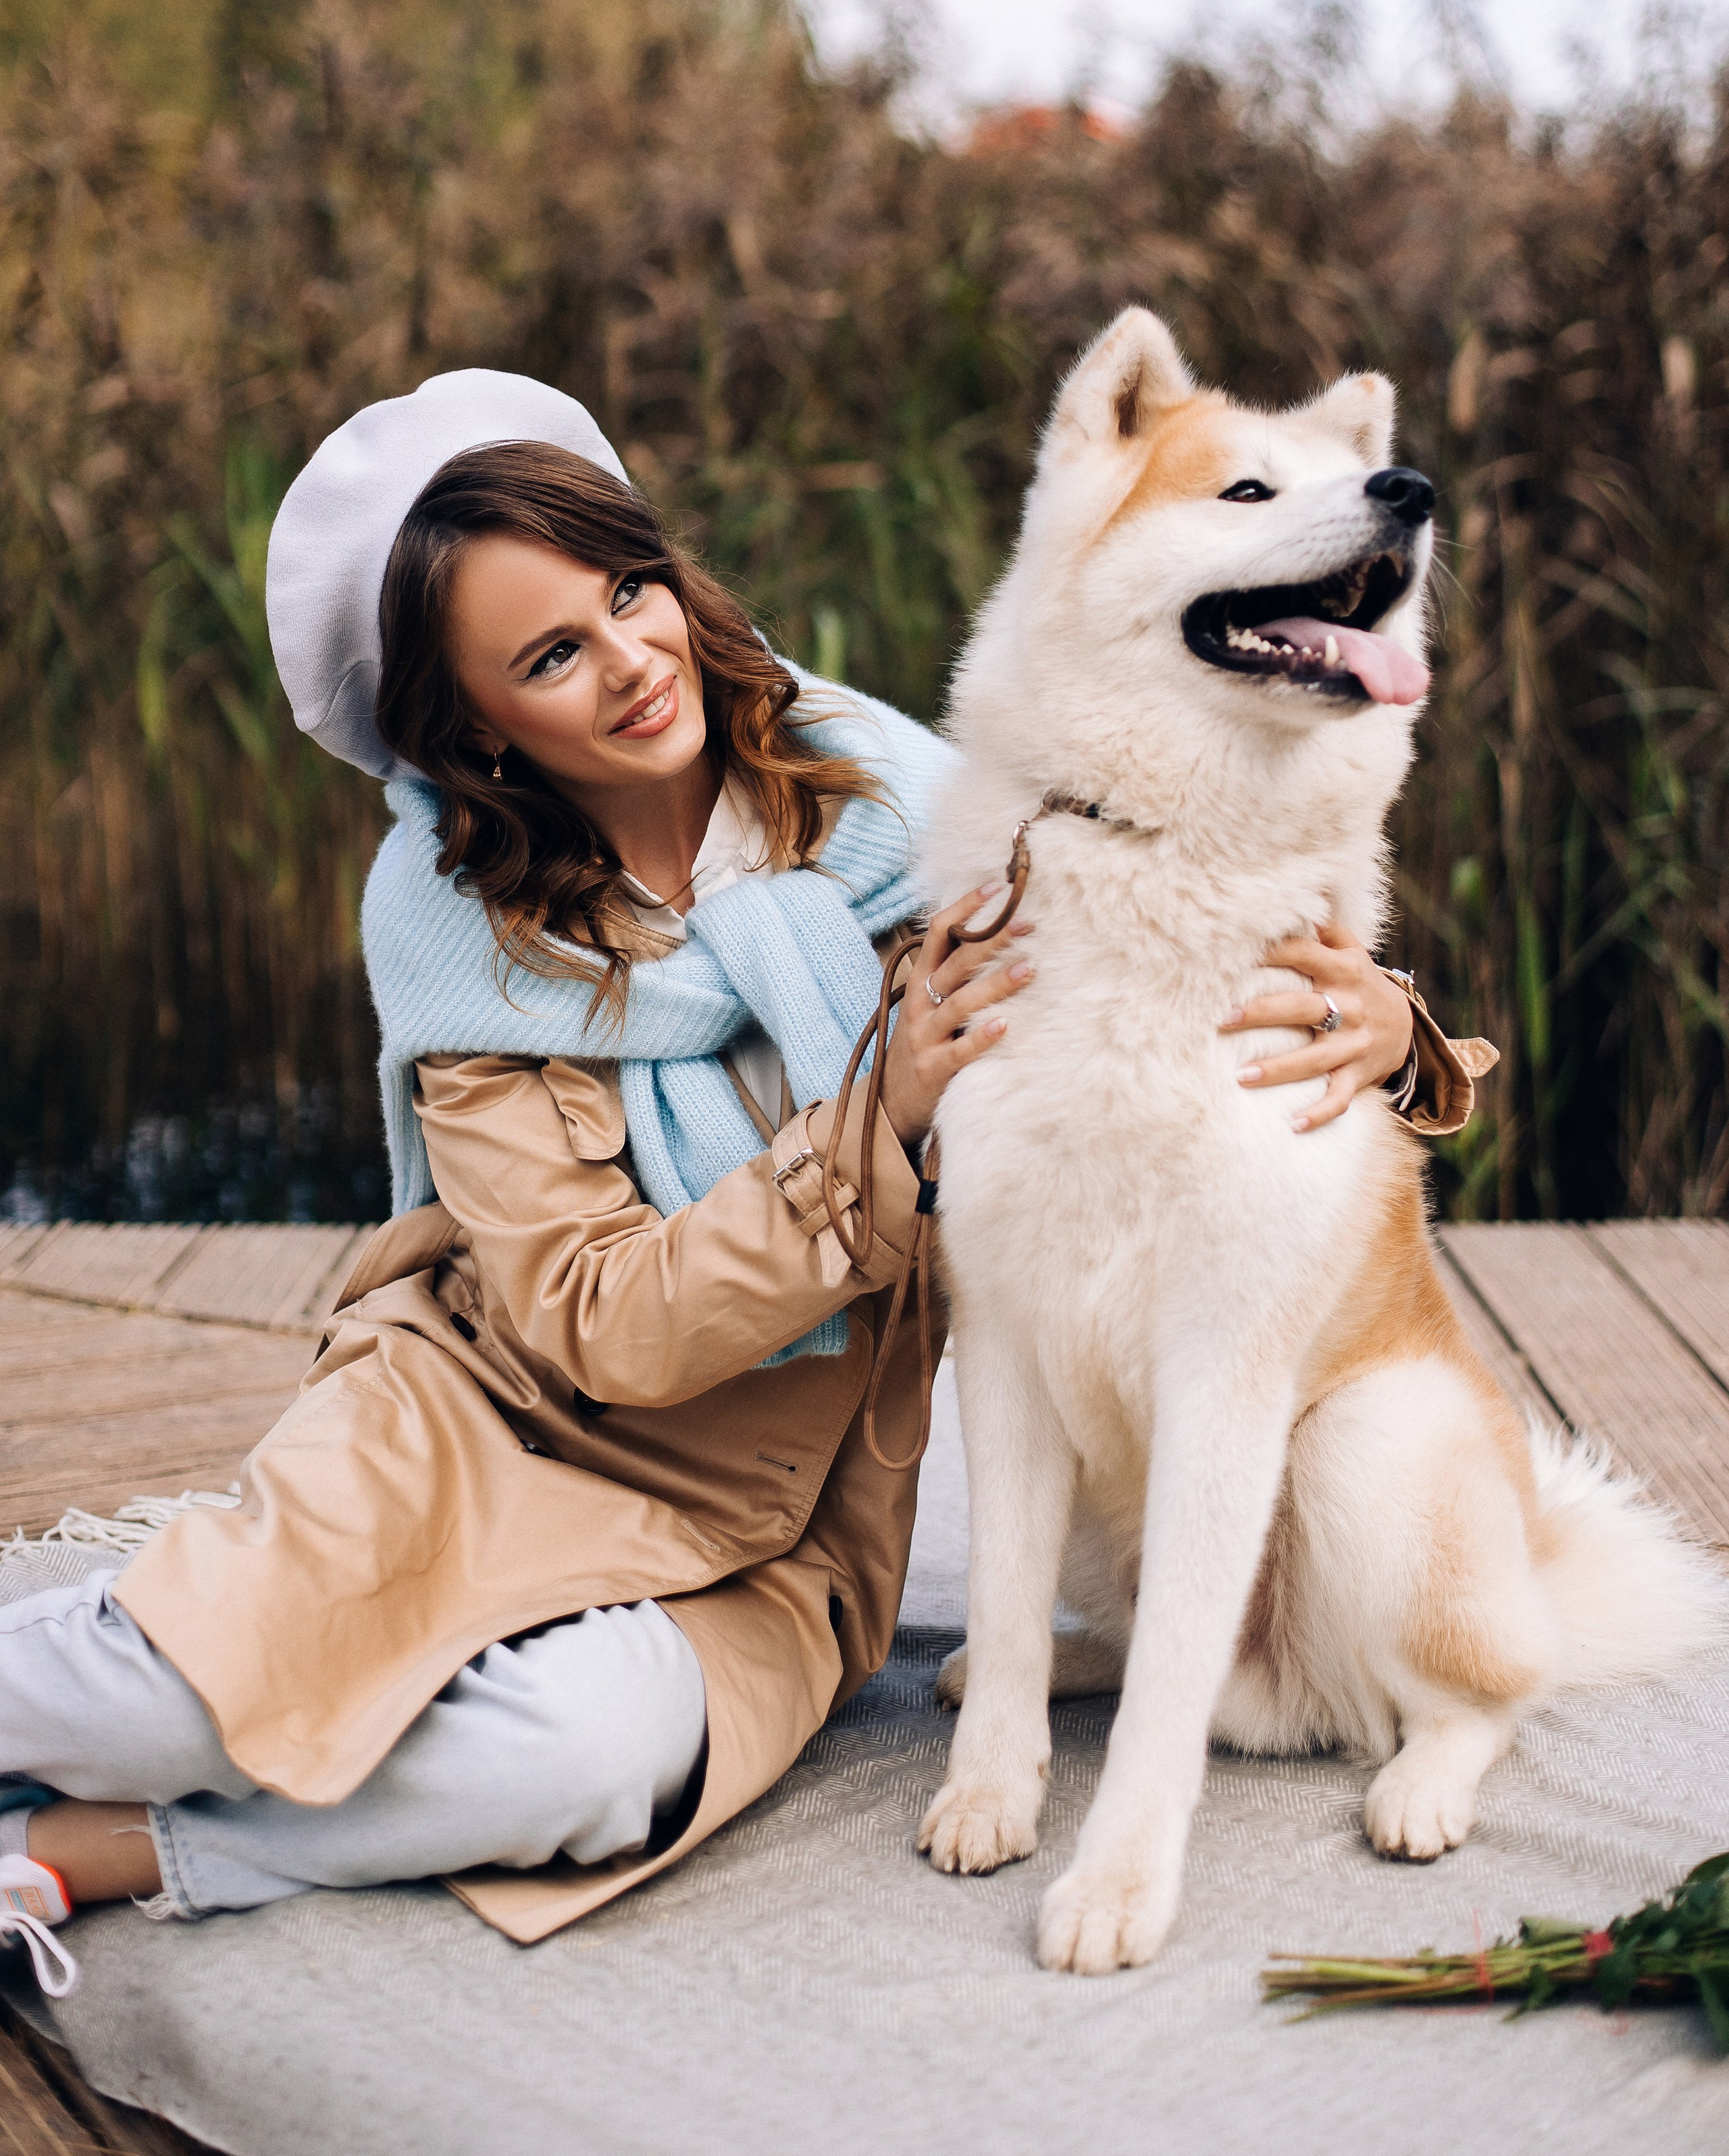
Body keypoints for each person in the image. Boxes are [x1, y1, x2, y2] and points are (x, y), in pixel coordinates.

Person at [0, 371, 1491, 1974]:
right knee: (150, 1690)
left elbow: (1177, 900)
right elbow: (594, 1325)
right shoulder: (452, 927)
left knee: (576, 1765)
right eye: (550, 656)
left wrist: (1386, 1023)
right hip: (483, 1428)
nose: (632, 660)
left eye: (628, 590)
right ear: (469, 727)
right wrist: (885, 1119)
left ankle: (90, 1855)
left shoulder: (895, 790)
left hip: (778, 1523)